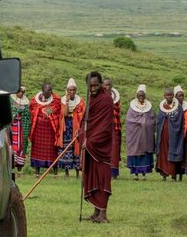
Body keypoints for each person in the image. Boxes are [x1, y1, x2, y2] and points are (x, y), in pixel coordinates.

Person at [81, 71, 119, 223]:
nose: (93, 88)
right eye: (90, 86)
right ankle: (96, 212)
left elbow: (104, 128)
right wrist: (82, 134)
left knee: (102, 179)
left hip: (101, 147)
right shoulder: (91, 99)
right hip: (90, 146)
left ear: (101, 84)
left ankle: (103, 214)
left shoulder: (106, 100)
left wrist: (90, 141)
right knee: (92, 179)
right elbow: (86, 120)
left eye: (96, 85)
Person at [28, 81, 64, 172]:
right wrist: (40, 110)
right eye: (48, 90)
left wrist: (47, 111)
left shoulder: (56, 100)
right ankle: (37, 170)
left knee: (52, 150)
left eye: (51, 90)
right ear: (42, 90)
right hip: (39, 130)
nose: (50, 92)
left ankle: (55, 170)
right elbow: (31, 109)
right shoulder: (35, 100)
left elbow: (57, 109)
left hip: (50, 130)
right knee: (37, 149)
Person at [124, 86, 157, 178]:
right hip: (135, 135)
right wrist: (140, 122)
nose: (141, 98)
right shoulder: (132, 107)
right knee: (136, 152)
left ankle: (144, 173)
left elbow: (152, 119)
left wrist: (146, 123)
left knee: (145, 154)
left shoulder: (149, 107)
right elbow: (129, 120)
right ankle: (136, 174)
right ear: (137, 96)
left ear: (145, 96)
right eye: (139, 96)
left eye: (143, 96)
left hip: (146, 135)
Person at [158, 88, 187, 181]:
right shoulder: (161, 106)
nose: (169, 96)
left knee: (173, 151)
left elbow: (180, 120)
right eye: (167, 95)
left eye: (171, 95)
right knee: (164, 152)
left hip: (174, 134)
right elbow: (159, 119)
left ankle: (173, 174)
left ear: (173, 96)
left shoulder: (178, 107)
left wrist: (170, 119)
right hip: (163, 133)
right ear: (164, 96)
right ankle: (164, 174)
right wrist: (164, 118)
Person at [59, 78, 85, 174]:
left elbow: (83, 114)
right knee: (67, 147)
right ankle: (66, 171)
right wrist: (67, 102)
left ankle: (78, 170)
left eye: (74, 90)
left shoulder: (80, 101)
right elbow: (65, 114)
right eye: (70, 90)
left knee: (76, 146)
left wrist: (76, 115)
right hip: (67, 126)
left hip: (77, 126)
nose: (72, 92)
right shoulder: (63, 100)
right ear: (67, 91)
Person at [9, 86, 32, 170]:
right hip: (13, 125)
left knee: (22, 143)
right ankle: (12, 163)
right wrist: (15, 114)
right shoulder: (11, 100)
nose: (21, 93)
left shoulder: (26, 103)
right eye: (19, 92)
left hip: (21, 126)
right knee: (12, 142)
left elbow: (27, 114)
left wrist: (22, 114)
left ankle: (19, 166)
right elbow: (11, 111)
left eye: (22, 92)